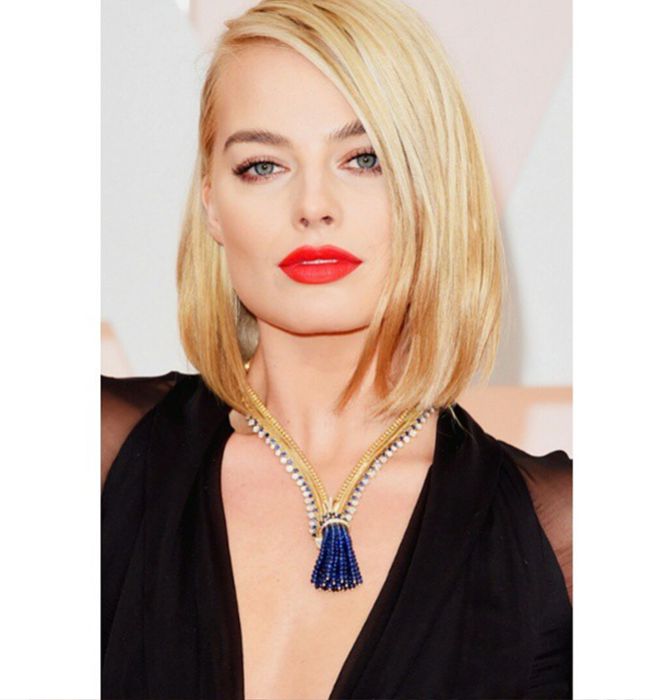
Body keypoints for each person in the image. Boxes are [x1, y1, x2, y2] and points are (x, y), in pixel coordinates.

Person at [101, 0, 572, 697]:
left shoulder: (560, 535)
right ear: (211, 204)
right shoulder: (97, 451)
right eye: (262, 166)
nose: (313, 205)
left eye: (363, 158)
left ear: (431, 190)